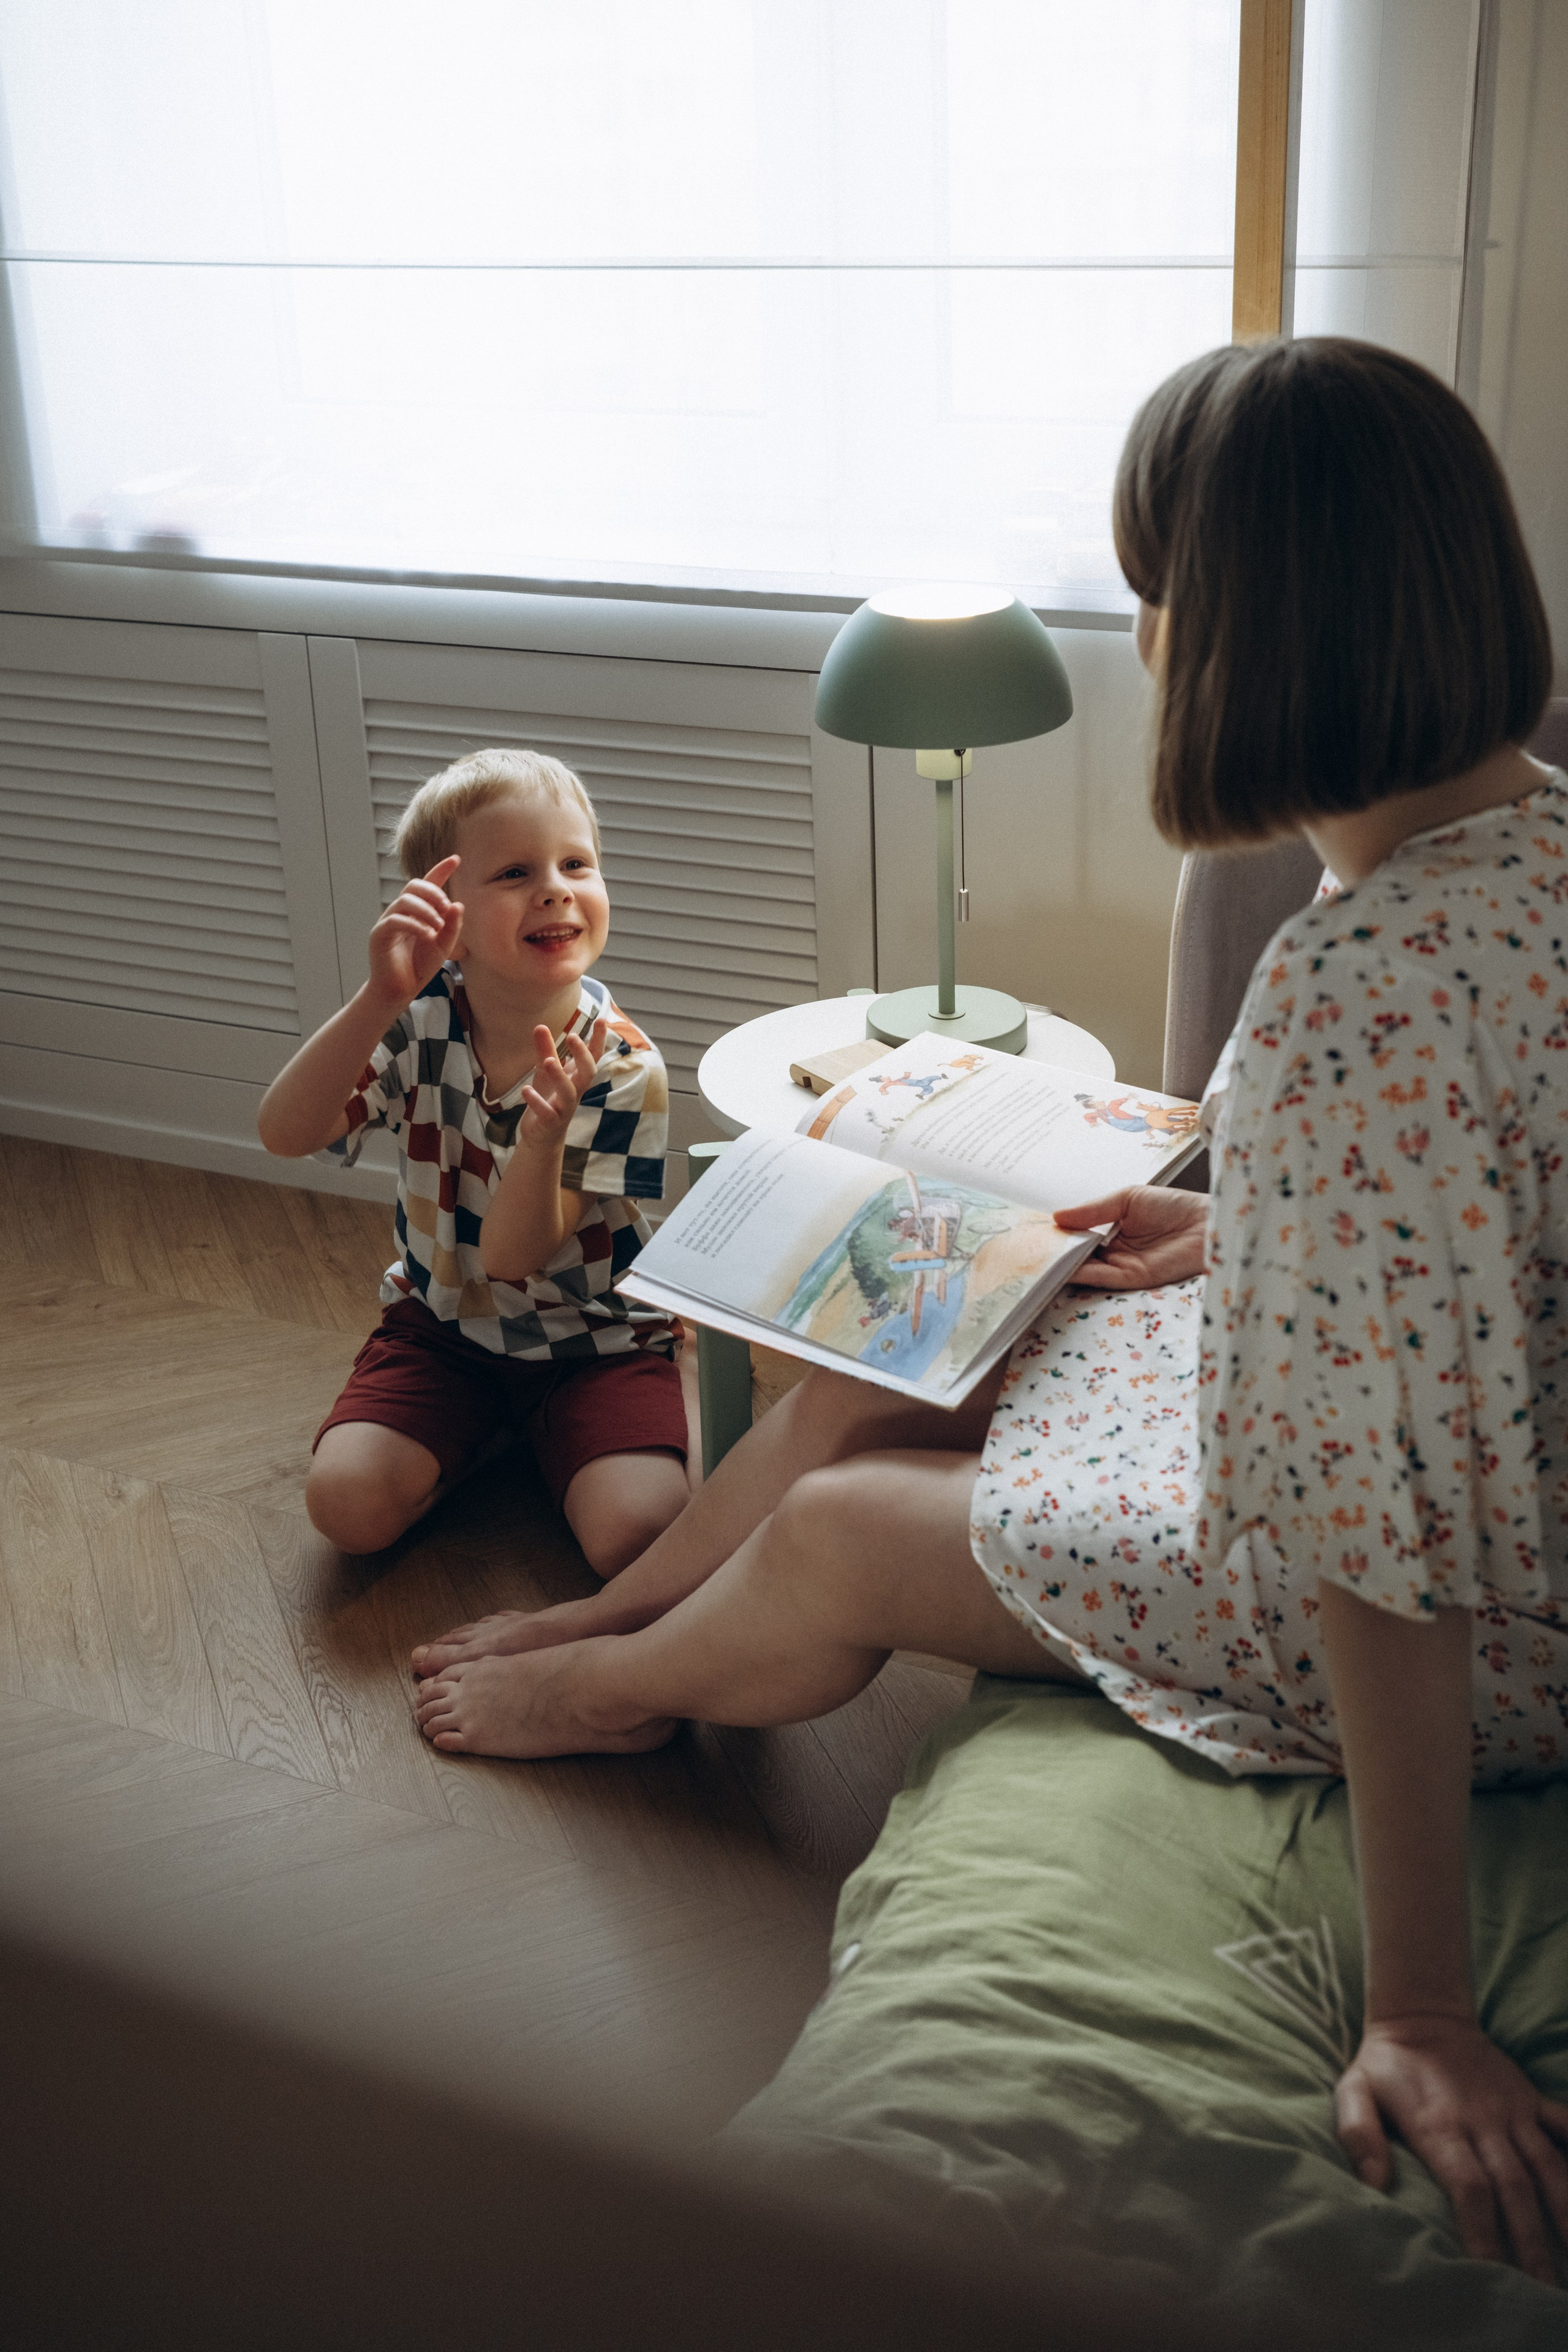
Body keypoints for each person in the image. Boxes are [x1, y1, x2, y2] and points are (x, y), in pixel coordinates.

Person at [411, 343, 1568, 2277]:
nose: (1144, 635)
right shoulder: (1539, 858)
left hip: (1488, 1612)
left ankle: (618, 1682)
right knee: (932, 1334)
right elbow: (1498, 1248)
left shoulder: (1351, 993)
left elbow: (1382, 1557)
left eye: (1156, 593)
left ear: (1237, 633)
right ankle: (633, 1602)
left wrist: (1423, 2009)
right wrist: (1244, 1237)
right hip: (1490, 1487)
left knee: (857, 1522)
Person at [257, 747, 692, 1572]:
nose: (557, 888)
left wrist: (539, 1140)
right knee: (343, 1507)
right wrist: (377, 997)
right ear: (442, 913)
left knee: (640, 1535)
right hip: (445, 1328)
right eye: (516, 872)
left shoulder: (624, 1064)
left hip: (596, 1344)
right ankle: (492, 1434)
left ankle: (543, 1430)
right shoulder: (418, 1016)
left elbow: (515, 1257)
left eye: (576, 864)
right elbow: (285, 1131)